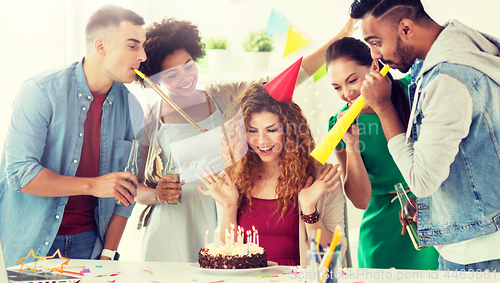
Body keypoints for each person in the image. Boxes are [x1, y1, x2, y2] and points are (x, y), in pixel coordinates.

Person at [135, 17, 356, 263]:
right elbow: (134, 188)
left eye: (189, 65)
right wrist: (157, 194)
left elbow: (286, 82)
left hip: (227, 210)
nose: (185, 77)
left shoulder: (225, 94)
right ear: (155, 78)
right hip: (178, 223)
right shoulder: (152, 118)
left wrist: (339, 38)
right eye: (172, 74)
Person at [350, 0, 500, 271]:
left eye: (376, 42)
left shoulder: (448, 79)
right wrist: (436, 205)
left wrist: (384, 108)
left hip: (477, 255)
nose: (375, 56)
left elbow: (420, 180)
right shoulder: (468, 48)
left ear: (406, 28)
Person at [0, 5, 146, 267]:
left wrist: (108, 253)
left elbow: (126, 191)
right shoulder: (40, 91)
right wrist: (93, 185)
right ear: (101, 46)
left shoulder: (131, 107)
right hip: (32, 243)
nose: (143, 56)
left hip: (91, 244)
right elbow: (20, 174)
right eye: (133, 46)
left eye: (142, 46)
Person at [197, 83, 346, 266]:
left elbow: (333, 254)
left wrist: (309, 209)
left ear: (290, 130)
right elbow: (229, 253)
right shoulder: (232, 179)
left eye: (272, 130)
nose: (262, 141)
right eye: (252, 131)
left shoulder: (320, 177)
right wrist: (229, 207)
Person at [325, 37, 439, 269]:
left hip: (431, 214)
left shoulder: (414, 90)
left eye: (352, 80)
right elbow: (360, 200)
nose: (346, 93)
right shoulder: (338, 125)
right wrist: (351, 145)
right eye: (337, 87)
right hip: (380, 231)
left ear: (375, 67)